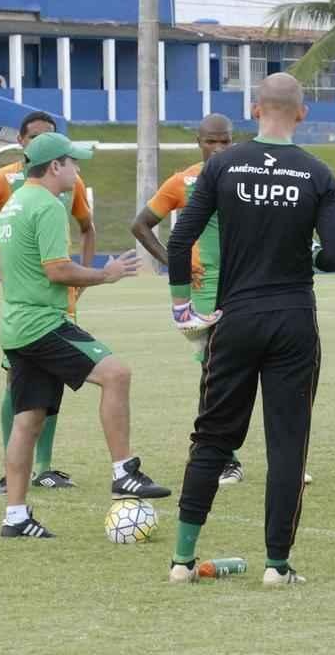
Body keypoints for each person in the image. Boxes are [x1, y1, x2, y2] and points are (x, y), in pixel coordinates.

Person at [166, 74, 335, 586]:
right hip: (293, 319)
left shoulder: (222, 164)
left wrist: (183, 307)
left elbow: (181, 240)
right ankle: (276, 565)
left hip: (235, 317)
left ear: (253, 109)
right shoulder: (317, 173)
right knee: (287, 444)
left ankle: (182, 559)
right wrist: (307, 253)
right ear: (303, 114)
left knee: (213, 436)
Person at [0, 132, 167, 538]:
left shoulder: (15, 204)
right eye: (73, 163)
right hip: (43, 324)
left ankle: (15, 517)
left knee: (28, 420)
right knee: (116, 373)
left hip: (17, 327)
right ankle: (124, 473)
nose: (78, 171)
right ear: (55, 167)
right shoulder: (45, 205)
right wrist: (106, 274)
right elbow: (57, 270)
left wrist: (8, 279)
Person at [0, 111, 95, 494]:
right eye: (34, 138)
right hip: (26, 300)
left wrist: (85, 277)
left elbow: (87, 227)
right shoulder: (4, 179)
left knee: (54, 382)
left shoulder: (68, 181)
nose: (42, 144)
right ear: (21, 141)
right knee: (15, 381)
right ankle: (10, 468)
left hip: (59, 293)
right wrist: (2, 269)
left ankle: (44, 467)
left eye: (50, 137)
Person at [131, 113, 244, 485]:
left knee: (245, 370)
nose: (218, 148)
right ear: (199, 141)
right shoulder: (184, 181)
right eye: (211, 141)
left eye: (225, 141)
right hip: (205, 291)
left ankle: (223, 453)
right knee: (214, 372)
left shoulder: (245, 174)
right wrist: (173, 262)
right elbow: (141, 224)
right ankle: (221, 456)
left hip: (247, 284)